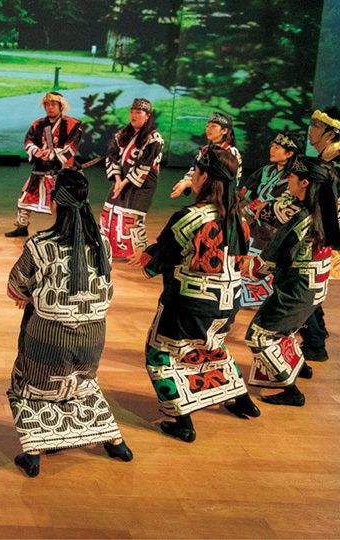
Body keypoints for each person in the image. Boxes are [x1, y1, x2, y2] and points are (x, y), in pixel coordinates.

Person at [6, 169, 132, 477]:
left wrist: (28, 296)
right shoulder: (102, 242)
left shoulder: (40, 244)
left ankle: (33, 454)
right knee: (83, 384)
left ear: (55, 203)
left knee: (30, 386)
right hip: (93, 334)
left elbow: (15, 284)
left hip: (48, 336)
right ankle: (116, 443)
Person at [132, 147, 260, 443]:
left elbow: (162, 254)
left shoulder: (191, 217)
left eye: (196, 173)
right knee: (212, 347)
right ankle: (242, 400)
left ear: (203, 178)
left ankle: (181, 421)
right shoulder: (239, 217)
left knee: (159, 354)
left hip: (191, 303)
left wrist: (146, 258)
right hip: (228, 301)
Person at [245, 156, 340, 406]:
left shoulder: (301, 218)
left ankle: (291, 391)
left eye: (293, 176)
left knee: (258, 336)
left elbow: (268, 261)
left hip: (296, 291)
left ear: (305, 183)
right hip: (314, 289)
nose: (288, 179)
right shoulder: (325, 211)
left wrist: (245, 265)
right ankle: (299, 367)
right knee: (283, 330)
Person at [238, 131, 304, 307]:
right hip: (257, 228)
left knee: (267, 266)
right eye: (272, 146)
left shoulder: (295, 178)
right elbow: (247, 193)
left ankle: (263, 299)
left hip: (276, 230)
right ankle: (249, 298)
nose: (272, 150)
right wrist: (239, 205)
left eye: (277, 147)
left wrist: (250, 209)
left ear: (290, 153)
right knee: (248, 264)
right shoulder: (265, 171)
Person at [5, 91, 82, 238]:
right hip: (40, 169)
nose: (50, 107)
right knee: (24, 199)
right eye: (47, 105)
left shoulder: (72, 124)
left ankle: (64, 230)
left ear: (61, 106)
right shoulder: (38, 124)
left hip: (61, 171)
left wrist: (52, 153)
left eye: (53, 104)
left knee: (60, 203)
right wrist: (36, 151)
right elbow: (28, 140)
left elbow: (71, 147)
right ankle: (22, 227)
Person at [297, 107, 340, 362]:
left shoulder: (333, 163)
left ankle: (314, 344)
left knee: (302, 284)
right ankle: (318, 332)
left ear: (331, 133)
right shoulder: (328, 158)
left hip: (326, 235)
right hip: (325, 234)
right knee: (310, 283)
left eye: (316, 126)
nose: (311, 129)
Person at [99, 98, 165, 258]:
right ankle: (110, 249)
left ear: (147, 116)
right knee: (110, 213)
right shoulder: (122, 134)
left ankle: (139, 253)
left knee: (133, 217)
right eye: (132, 112)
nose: (134, 116)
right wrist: (117, 180)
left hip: (142, 183)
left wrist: (124, 182)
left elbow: (144, 164)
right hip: (121, 179)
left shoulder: (155, 138)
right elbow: (112, 155)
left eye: (138, 112)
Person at [171, 112, 241, 198]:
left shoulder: (231, 152)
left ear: (224, 131)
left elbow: (223, 180)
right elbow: (194, 168)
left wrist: (189, 183)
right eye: (208, 126)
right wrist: (186, 181)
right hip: (203, 193)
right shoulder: (206, 149)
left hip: (221, 196)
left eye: (213, 126)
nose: (208, 129)